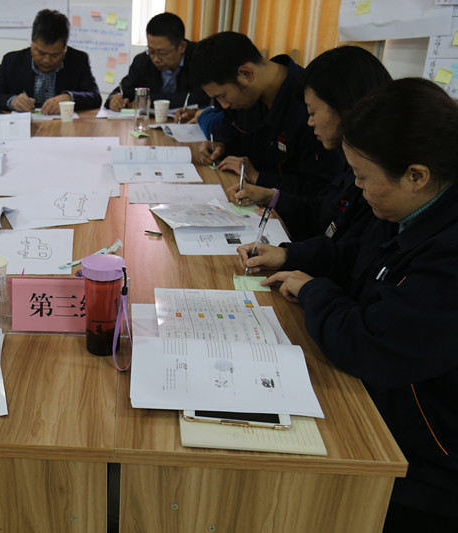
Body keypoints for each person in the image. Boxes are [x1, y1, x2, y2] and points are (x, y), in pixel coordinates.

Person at [239, 78, 458, 532]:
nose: (356, 188)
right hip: (385, 404)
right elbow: (358, 257)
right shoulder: (412, 209)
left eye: (362, 177)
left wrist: (314, 291)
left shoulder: (448, 252)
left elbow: (373, 343)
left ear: (416, 175)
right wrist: (292, 256)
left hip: (426, 464)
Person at [227, 46, 390, 242]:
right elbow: (320, 210)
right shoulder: (348, 159)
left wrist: (291, 252)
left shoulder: (376, 181)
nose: (310, 122)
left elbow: (344, 251)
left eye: (312, 112)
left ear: (343, 105)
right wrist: (272, 197)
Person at [190, 31, 341, 196]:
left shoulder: (308, 105)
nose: (224, 105)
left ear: (246, 74)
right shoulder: (246, 97)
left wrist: (259, 177)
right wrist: (220, 144)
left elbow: (318, 188)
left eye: (223, 96)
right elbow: (230, 126)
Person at [0, 9, 101, 114]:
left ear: (65, 48)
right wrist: (13, 101)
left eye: (55, 55)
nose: (47, 60)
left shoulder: (79, 60)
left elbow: (95, 97)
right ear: (32, 41)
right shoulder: (12, 61)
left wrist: (69, 98)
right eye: (41, 52)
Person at [106, 12, 208, 112]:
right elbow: (124, 90)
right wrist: (114, 100)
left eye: (162, 53)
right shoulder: (142, 61)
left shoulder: (200, 58)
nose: (155, 59)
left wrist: (150, 101)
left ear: (182, 47)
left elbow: (202, 96)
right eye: (151, 51)